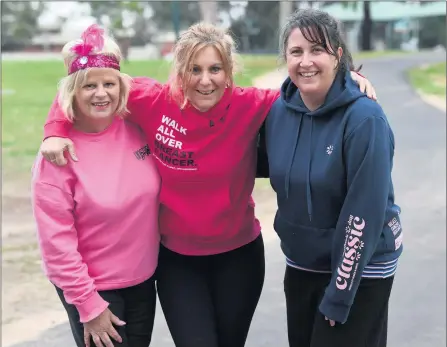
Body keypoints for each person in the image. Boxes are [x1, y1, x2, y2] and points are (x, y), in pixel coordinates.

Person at [37, 22, 377, 347]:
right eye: (194, 70)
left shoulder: (252, 104)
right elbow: (87, 81)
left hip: (239, 257)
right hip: (178, 262)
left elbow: (305, 89)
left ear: (228, 71)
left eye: (215, 69)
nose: (205, 81)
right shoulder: (152, 99)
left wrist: (346, 77)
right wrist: (54, 128)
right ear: (179, 72)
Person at [261, 9, 403, 347]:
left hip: (362, 267)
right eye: (296, 52)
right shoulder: (278, 112)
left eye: (317, 50)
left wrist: (341, 293)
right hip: (303, 263)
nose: (306, 61)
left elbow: (363, 215)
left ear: (338, 56)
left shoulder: (364, 118)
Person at [31, 25, 160, 347]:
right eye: (89, 86)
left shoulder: (136, 126)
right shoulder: (56, 153)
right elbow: (56, 244)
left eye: (108, 84)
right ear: (73, 91)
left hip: (144, 279)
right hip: (93, 288)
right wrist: (88, 306)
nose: (101, 93)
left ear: (121, 86)